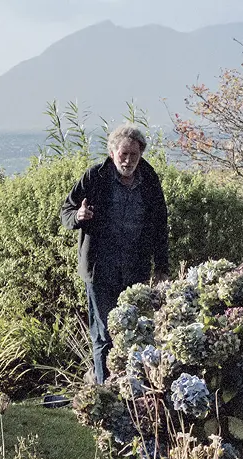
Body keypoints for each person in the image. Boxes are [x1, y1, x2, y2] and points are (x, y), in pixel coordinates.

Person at [61, 124, 169, 384]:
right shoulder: (95, 177)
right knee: (104, 334)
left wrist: (162, 266)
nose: (129, 160)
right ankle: (103, 391)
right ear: (112, 153)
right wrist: (79, 216)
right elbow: (66, 211)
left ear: (141, 154)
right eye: (123, 154)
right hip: (100, 269)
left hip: (136, 269)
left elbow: (160, 225)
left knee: (136, 331)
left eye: (134, 154)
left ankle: (132, 391)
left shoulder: (150, 179)